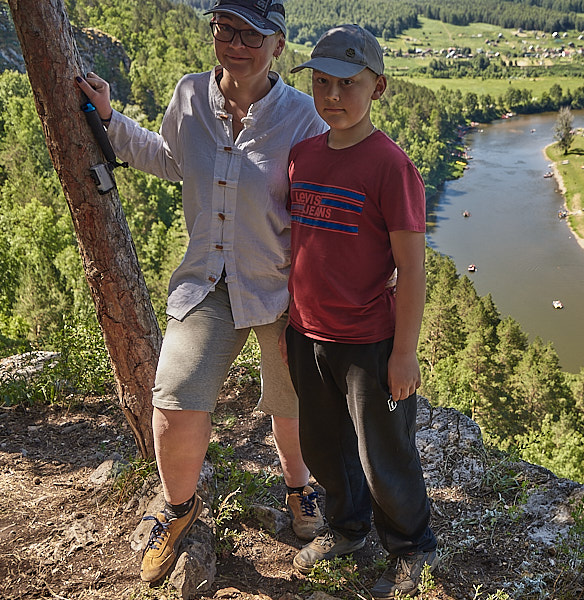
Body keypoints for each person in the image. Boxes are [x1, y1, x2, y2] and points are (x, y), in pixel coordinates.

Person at [76, 0, 327, 584]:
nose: (236, 42)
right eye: (225, 29)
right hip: (208, 283)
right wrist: (109, 120)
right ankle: (179, 509)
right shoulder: (190, 96)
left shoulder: (302, 118)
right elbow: (168, 159)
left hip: (281, 286)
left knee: (290, 407)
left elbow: (327, 202)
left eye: (251, 33)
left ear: (278, 46)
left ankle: (300, 488)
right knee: (174, 402)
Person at [284, 24, 438, 599]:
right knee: (324, 447)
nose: (333, 96)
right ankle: (347, 529)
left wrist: (403, 353)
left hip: (370, 341)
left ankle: (410, 545)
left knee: (384, 456)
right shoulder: (302, 157)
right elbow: (300, 249)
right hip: (307, 336)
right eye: (322, 83)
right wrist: (291, 327)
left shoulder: (389, 166)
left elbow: (413, 269)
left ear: (379, 88)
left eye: (349, 84)